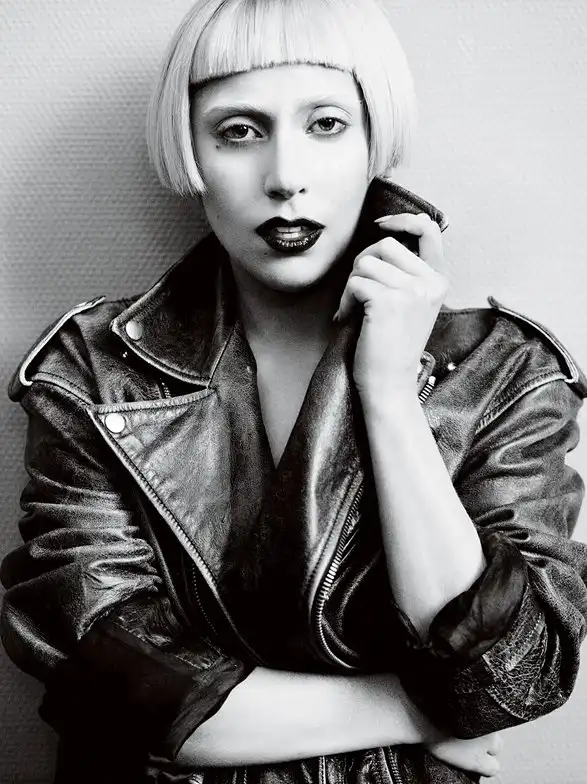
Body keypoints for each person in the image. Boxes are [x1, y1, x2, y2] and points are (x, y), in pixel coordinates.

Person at [2, 0, 587, 782]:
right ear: (191, 151)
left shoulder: (503, 371)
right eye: (239, 131)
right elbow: (111, 677)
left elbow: (514, 672)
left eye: (326, 125)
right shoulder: (95, 370)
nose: (284, 178)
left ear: (374, 141)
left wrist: (387, 392)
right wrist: (411, 711)